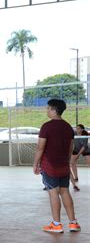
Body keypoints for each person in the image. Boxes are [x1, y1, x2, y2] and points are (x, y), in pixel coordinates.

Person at [33, 99, 80, 233]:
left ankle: (56, 224)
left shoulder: (47, 126)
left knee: (53, 193)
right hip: (64, 165)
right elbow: (70, 148)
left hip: (50, 165)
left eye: (48, 108)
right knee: (65, 191)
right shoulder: (68, 127)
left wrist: (35, 164)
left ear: (54, 110)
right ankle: (73, 223)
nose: (46, 110)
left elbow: (40, 148)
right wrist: (66, 161)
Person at [70, 124, 89, 191]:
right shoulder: (74, 134)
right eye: (76, 128)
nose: (76, 129)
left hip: (85, 149)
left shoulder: (85, 135)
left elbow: (84, 147)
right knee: (72, 163)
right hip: (76, 149)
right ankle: (76, 177)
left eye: (78, 128)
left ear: (82, 129)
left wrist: (77, 156)